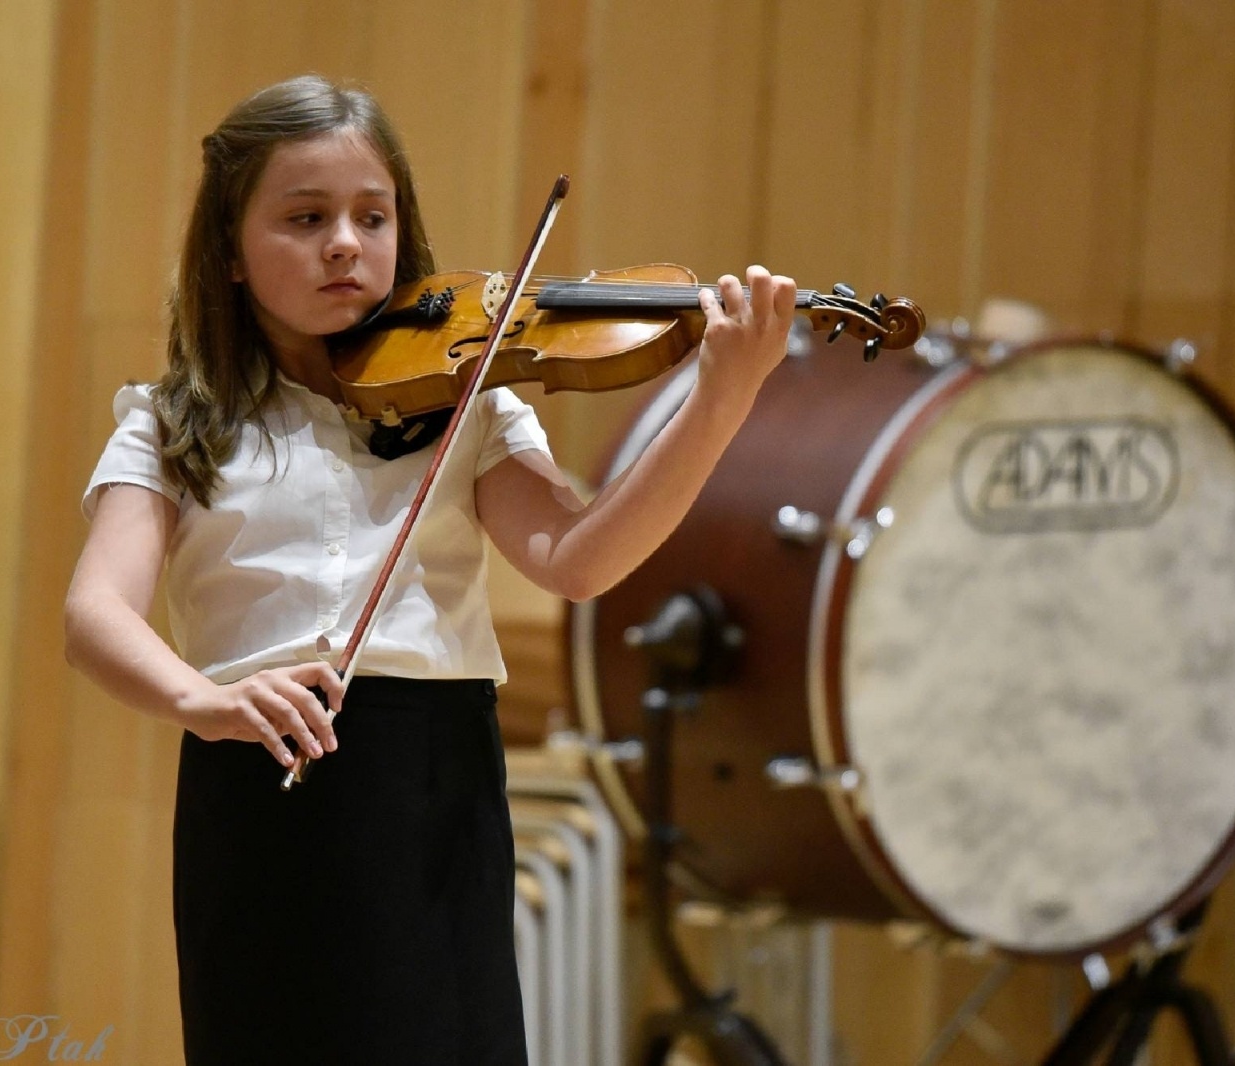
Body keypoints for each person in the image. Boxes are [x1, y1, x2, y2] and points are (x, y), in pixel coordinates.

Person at [63, 73, 794, 1066]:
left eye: (374, 216)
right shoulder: (170, 420)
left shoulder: (470, 401)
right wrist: (207, 700)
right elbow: (95, 613)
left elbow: (579, 562)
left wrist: (719, 399)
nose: (345, 244)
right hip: (258, 773)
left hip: (432, 782)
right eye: (305, 217)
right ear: (229, 252)